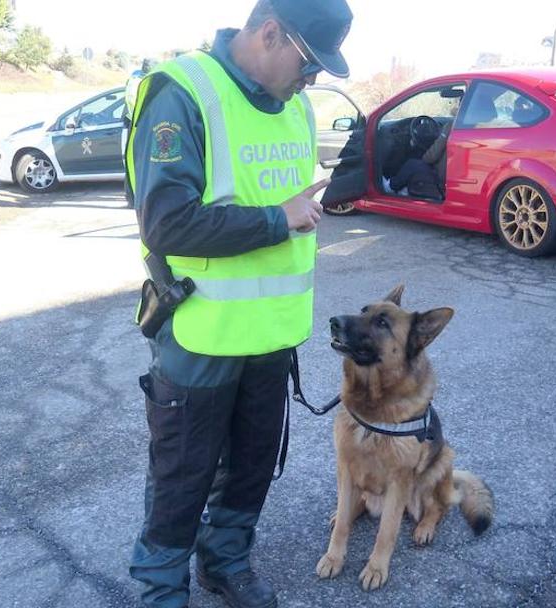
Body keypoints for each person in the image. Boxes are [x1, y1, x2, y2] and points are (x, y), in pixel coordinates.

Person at [124, 1, 353, 607]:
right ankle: (160, 588)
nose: (313, 81)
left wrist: (298, 213)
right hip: (201, 331)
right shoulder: (182, 92)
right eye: (309, 63)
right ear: (270, 33)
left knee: (252, 466)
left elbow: (281, 198)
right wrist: (278, 221)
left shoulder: (298, 106)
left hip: (271, 333)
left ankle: (226, 561)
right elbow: (167, 223)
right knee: (182, 472)